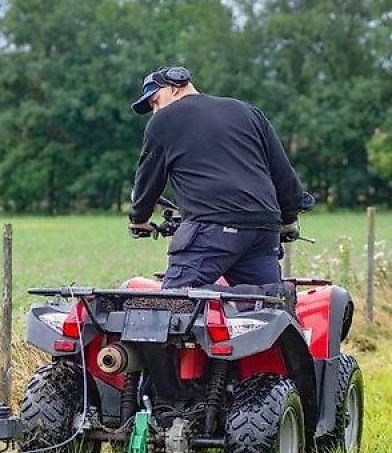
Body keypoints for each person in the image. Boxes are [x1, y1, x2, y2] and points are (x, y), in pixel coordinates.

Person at [128, 66, 305, 289]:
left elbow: (148, 180)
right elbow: (282, 173)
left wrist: (139, 220)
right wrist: (288, 219)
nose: (155, 111)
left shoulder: (164, 120)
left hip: (212, 230)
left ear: (175, 87)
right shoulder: (247, 112)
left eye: (155, 101)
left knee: (175, 306)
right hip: (263, 230)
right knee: (267, 305)